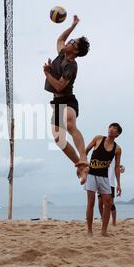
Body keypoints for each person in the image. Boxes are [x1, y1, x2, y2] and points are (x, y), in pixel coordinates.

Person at [43, 15, 91, 185]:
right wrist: (73, 25)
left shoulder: (71, 66)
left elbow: (59, 87)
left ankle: (84, 158)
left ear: (76, 51)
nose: (69, 42)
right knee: (59, 139)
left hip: (68, 100)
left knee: (70, 125)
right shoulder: (63, 52)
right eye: (72, 41)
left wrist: (47, 73)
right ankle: (80, 166)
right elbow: (60, 38)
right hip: (56, 103)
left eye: (73, 43)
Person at [84, 123, 122, 237]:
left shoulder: (117, 149)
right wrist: (84, 164)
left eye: (114, 129)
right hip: (91, 174)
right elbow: (86, 150)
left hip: (104, 177)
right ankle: (89, 231)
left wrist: (119, 184)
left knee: (108, 202)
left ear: (118, 134)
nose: (111, 129)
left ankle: (103, 231)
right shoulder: (98, 138)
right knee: (91, 202)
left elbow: (116, 167)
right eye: (111, 127)